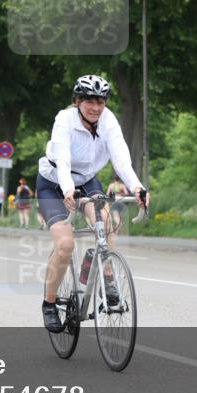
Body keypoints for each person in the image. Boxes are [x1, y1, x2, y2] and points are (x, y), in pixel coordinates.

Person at [37, 75, 149, 333]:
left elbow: (121, 158)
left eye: (100, 101)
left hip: (87, 180)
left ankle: (106, 276)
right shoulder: (64, 120)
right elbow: (63, 161)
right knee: (65, 245)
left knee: (108, 223)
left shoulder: (108, 120)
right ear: (77, 101)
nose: (95, 107)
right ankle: (50, 303)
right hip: (54, 183)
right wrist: (67, 190)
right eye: (89, 100)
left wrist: (137, 187)